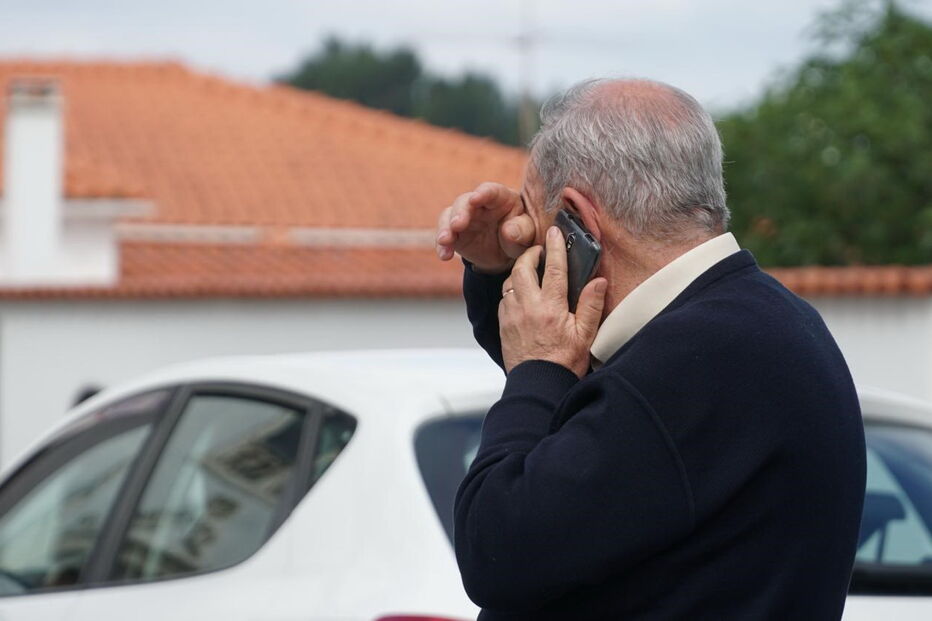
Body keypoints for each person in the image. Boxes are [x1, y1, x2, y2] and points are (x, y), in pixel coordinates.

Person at [434, 78, 866, 620]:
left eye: (538, 223)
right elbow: (583, 414)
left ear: (577, 222)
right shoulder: (754, 325)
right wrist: (497, 268)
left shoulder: (693, 360)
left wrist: (537, 368)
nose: (528, 237)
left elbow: (496, 548)